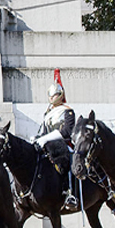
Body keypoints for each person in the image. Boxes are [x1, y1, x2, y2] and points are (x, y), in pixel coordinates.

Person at [33, 69, 77, 209]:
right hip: (48, 145)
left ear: (61, 95)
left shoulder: (67, 111)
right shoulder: (48, 113)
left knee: (65, 159)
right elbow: (44, 131)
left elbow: (66, 132)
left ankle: (69, 192)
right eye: (51, 95)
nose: (52, 97)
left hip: (63, 144)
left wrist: (46, 138)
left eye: (56, 94)